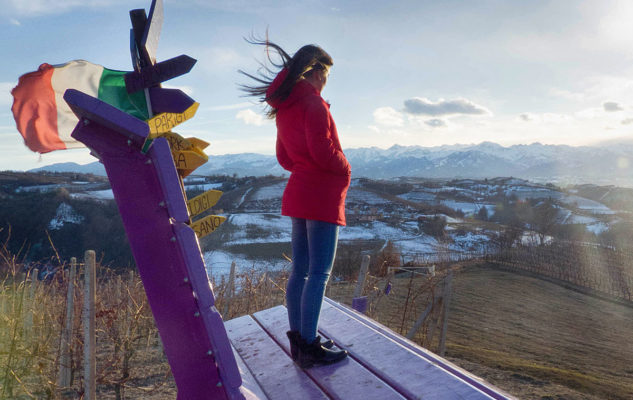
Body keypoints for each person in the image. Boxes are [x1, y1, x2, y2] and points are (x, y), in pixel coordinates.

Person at [240, 39, 351, 368]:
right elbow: (323, 153)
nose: (326, 80)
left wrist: (307, 168)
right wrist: (346, 167)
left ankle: (299, 341)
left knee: (299, 271)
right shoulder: (314, 105)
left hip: (299, 192)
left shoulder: (285, 108)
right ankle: (310, 344)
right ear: (316, 71)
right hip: (321, 196)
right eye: (326, 73)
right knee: (319, 274)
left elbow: (284, 157)